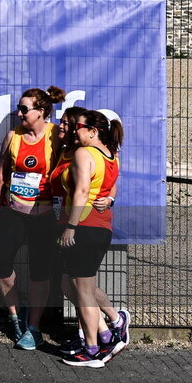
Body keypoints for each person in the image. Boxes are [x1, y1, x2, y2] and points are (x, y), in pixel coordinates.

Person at [0, 86, 66, 350]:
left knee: (39, 272)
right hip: (13, 212)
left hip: (43, 216)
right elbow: (2, 172)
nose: (19, 112)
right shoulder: (13, 136)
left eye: (24, 109)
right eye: (18, 108)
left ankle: (33, 327)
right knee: (0, 265)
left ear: (42, 112)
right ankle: (15, 316)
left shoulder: (55, 136)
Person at [50, 107, 127, 359]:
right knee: (79, 286)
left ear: (93, 131)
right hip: (100, 227)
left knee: (83, 291)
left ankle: (92, 350)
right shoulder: (110, 154)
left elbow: (83, 191)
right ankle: (106, 335)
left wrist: (70, 227)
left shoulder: (85, 153)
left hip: (84, 225)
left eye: (78, 127)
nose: (74, 130)